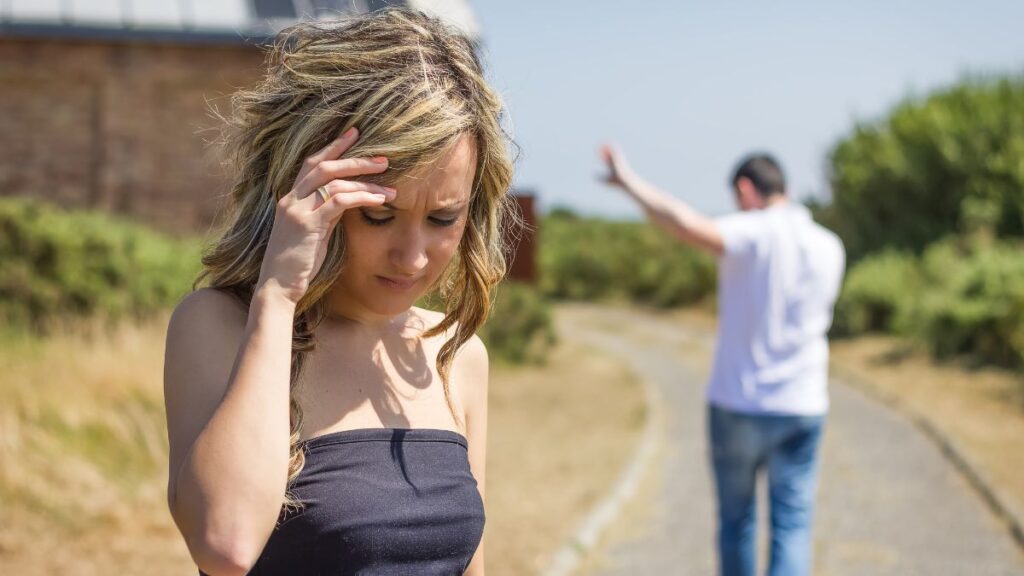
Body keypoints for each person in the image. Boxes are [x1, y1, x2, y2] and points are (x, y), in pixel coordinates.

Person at [162, 9, 515, 576]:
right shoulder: (219, 326)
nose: (413, 257)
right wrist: (277, 296)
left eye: (443, 218)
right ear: (304, 192)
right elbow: (224, 542)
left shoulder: (455, 354)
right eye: (378, 215)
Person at [599, 146, 845, 576]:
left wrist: (629, 183)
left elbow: (684, 223)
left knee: (737, 522)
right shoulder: (831, 246)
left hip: (740, 402)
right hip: (804, 405)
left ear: (746, 189)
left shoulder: (751, 233)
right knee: (793, 525)